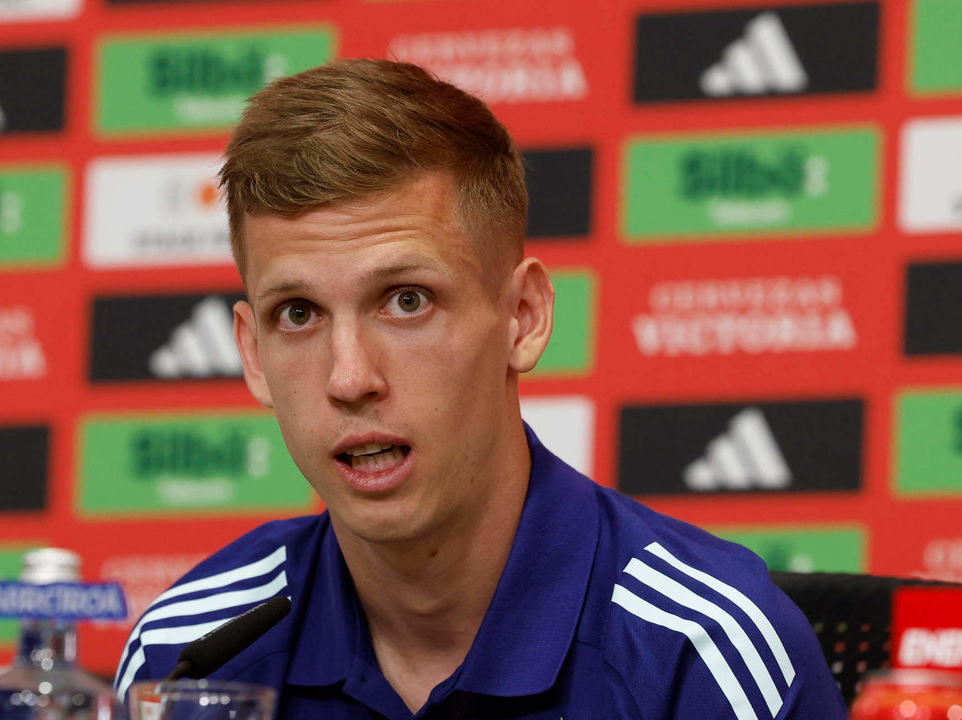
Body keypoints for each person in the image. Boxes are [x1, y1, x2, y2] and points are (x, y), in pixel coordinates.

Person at [114, 58, 847, 719]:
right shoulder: (185, 664)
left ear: (523, 318)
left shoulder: (701, 656)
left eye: (406, 301)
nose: (349, 379)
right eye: (298, 314)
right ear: (251, 354)